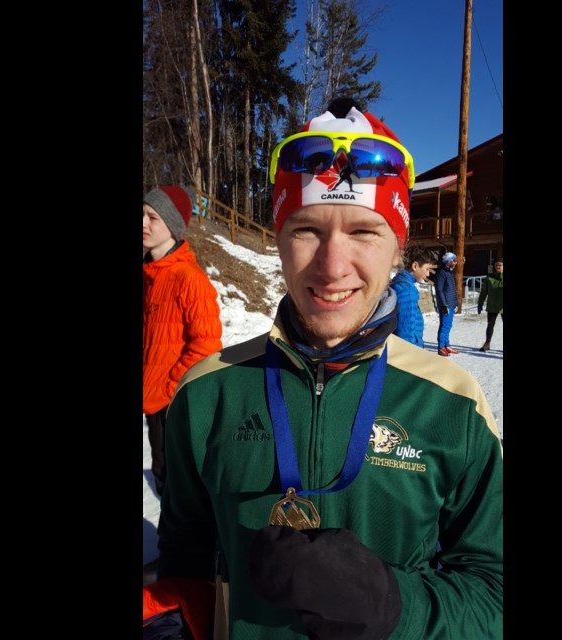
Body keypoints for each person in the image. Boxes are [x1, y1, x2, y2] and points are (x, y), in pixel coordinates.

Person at [156, 98, 503, 640]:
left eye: (364, 232)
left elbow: (494, 593)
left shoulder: (454, 403)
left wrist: (396, 606)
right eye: (306, 230)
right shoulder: (207, 393)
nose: (333, 266)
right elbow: (186, 558)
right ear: (277, 237)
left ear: (398, 246)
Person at [143, 185, 223, 498]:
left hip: (173, 402)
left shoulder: (189, 279)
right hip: (154, 399)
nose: (144, 223)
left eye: (152, 217)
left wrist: (168, 390)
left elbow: (206, 347)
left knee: (180, 486)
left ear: (173, 225)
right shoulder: (149, 276)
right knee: (164, 478)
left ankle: (183, 547)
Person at [388, 248, 437, 347]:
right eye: (427, 269)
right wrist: (413, 353)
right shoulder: (407, 290)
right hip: (409, 350)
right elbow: (407, 328)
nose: (428, 274)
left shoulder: (399, 282)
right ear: (415, 266)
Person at [431, 251, 460, 356]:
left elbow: (450, 289)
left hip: (451, 303)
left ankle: (447, 345)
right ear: (449, 261)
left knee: (448, 325)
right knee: (444, 325)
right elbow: (439, 290)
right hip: (446, 304)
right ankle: (441, 347)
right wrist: (444, 305)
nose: (456, 262)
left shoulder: (448, 271)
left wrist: (455, 303)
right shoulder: (441, 273)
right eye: (454, 260)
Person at [477, 259, 503, 352]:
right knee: (490, 325)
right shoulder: (489, 277)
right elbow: (484, 291)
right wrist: (480, 302)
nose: (498, 267)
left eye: (500, 265)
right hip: (492, 305)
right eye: (496, 265)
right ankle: (487, 343)